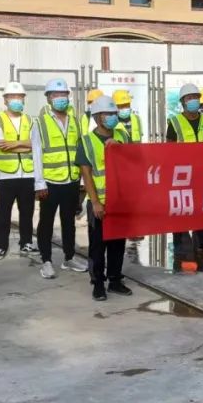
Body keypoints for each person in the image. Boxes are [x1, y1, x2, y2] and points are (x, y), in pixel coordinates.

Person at [33, 78, 88, 279]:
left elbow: (79, 150)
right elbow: (37, 153)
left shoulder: (74, 121)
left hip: (71, 180)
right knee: (46, 222)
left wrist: (81, 181)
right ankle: (46, 261)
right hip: (50, 182)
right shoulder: (39, 122)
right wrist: (39, 183)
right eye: (56, 95)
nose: (60, 99)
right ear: (48, 98)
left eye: (63, 95)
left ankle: (69, 257)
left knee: (69, 222)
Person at [81, 95, 131, 302]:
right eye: (107, 114)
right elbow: (87, 173)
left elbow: (133, 161)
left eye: (113, 113)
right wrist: (95, 202)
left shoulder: (123, 135)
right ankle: (98, 283)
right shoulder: (87, 141)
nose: (112, 117)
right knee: (98, 245)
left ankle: (115, 279)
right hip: (100, 202)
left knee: (118, 243)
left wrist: (118, 146)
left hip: (120, 201)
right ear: (98, 117)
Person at [0, 81, 39, 260]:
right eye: (13, 97)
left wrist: (14, 144)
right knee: (3, 212)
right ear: (5, 99)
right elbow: (0, 145)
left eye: (20, 97)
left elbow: (36, 144)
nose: (17, 100)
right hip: (6, 174)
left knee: (27, 211)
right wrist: (25, 144)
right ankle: (0, 245)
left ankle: (26, 242)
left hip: (28, 173)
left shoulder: (30, 120)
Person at [166, 83, 203, 267]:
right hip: (182, 173)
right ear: (183, 102)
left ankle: (202, 243)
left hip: (202, 171)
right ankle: (179, 246)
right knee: (181, 209)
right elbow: (168, 147)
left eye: (195, 97)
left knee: (201, 208)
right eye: (189, 98)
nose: (193, 100)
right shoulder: (175, 121)